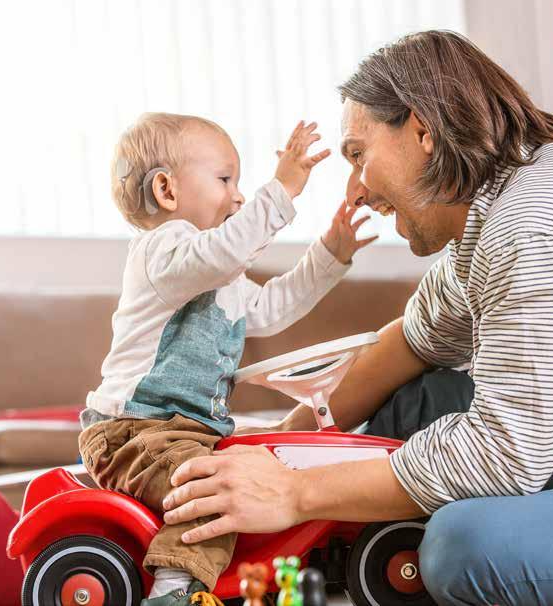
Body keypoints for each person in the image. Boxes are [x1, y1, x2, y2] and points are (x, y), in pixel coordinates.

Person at [161, 31, 553, 605]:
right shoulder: (503, 203)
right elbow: (413, 342)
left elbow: (501, 454)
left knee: (463, 548)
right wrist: (278, 443)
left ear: (423, 131)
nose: (356, 189)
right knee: (415, 396)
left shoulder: (541, 235)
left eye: (357, 154)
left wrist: (294, 493)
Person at [78, 113, 376, 606]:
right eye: (224, 180)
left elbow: (274, 307)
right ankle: (175, 590)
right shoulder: (163, 252)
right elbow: (222, 253)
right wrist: (279, 191)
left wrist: (330, 254)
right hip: (135, 432)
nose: (238, 196)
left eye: (239, 183)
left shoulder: (222, 278)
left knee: (251, 468)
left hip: (186, 434)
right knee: (217, 492)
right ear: (167, 191)